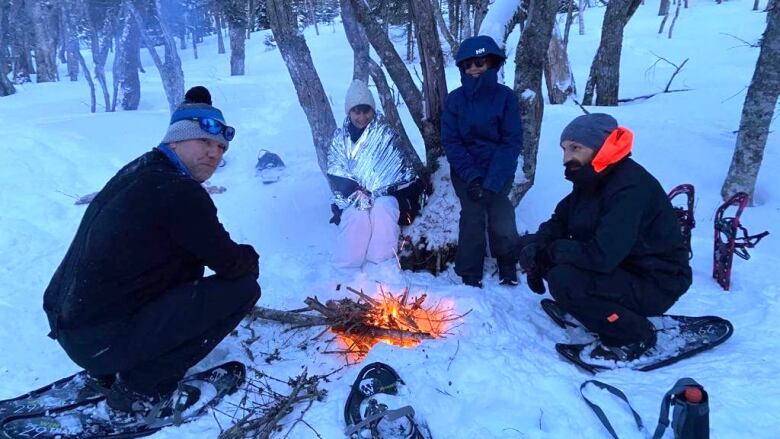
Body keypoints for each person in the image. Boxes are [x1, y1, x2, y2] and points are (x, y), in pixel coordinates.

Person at [43, 86, 261, 416]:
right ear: (175, 139)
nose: (214, 153)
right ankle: (142, 390)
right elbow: (231, 264)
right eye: (204, 141)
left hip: (74, 327)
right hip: (98, 340)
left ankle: (112, 366)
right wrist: (252, 258)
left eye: (220, 147)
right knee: (243, 288)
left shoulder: (141, 170)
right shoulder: (178, 191)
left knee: (179, 269)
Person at [517, 113, 692, 361]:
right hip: (624, 269)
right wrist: (536, 248)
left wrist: (552, 252)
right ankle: (595, 311)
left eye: (576, 148)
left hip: (657, 281)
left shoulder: (629, 188)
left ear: (601, 146)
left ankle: (632, 336)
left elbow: (601, 257)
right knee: (544, 256)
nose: (567, 158)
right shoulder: (592, 178)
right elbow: (561, 220)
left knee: (564, 278)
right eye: (564, 149)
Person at [441, 35, 523, 288]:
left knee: (501, 211)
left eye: (479, 62)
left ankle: (508, 264)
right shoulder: (455, 100)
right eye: (468, 64)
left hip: (499, 168)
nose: (474, 68)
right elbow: (452, 143)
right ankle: (469, 270)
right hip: (466, 171)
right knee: (473, 213)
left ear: (491, 63)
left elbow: (511, 142)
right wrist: (474, 178)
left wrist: (492, 181)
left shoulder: (506, 98)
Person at [328, 79, 426, 269]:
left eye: (366, 110)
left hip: (386, 195)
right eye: (357, 111)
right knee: (357, 215)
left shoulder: (386, 134)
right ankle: (346, 267)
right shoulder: (340, 138)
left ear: (373, 110)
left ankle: (381, 264)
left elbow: (402, 171)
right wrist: (356, 192)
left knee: (383, 209)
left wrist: (382, 192)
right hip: (353, 196)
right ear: (349, 112)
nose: (362, 117)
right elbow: (336, 170)